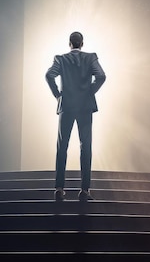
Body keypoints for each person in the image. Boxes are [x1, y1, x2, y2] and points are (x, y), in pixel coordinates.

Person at [45, 31, 106, 201]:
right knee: (86, 146)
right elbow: (101, 76)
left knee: (62, 146)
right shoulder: (90, 57)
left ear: (69, 43)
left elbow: (49, 75)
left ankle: (59, 188)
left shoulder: (61, 59)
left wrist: (59, 95)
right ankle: (85, 191)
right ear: (82, 43)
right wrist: (88, 92)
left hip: (67, 106)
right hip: (85, 107)